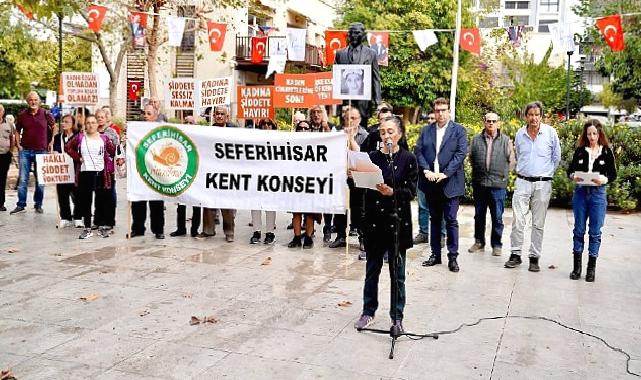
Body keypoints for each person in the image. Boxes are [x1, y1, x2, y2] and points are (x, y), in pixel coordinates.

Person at [353, 116, 417, 332]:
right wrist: (351, 175)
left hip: (397, 223)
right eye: (382, 132)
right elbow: (358, 185)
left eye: (390, 131)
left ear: (399, 134)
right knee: (372, 270)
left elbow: (411, 191)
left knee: (397, 274)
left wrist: (393, 192)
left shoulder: (408, 159)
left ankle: (397, 317)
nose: (386, 136)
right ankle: (368, 311)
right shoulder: (371, 157)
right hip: (374, 222)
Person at [505, 101, 561, 272]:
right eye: (530, 114)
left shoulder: (551, 133)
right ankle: (515, 254)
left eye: (537, 114)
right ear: (526, 116)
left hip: (543, 184)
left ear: (541, 116)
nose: (534, 118)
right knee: (518, 221)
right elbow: (519, 155)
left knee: (538, 223)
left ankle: (534, 257)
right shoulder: (520, 134)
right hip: (522, 182)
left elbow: (556, 157)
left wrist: (545, 173)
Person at [415, 98, 467, 272]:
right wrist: (426, 170)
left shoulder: (459, 130)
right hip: (431, 182)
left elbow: (460, 154)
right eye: (437, 110)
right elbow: (419, 151)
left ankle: (453, 257)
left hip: (451, 182)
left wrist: (445, 173)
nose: (440, 113)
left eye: (443, 110)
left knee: (451, 219)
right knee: (435, 219)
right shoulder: (426, 130)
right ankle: (435, 255)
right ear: (434, 111)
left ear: (449, 111)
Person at [567, 119, 617, 282]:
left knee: (595, 232)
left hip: (598, 194)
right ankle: (577, 267)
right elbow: (570, 170)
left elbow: (613, 174)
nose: (592, 137)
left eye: (594, 133)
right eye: (589, 134)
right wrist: (573, 176)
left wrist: (604, 179)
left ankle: (591, 269)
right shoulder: (580, 151)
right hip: (581, 193)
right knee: (579, 229)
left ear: (600, 133)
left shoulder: (606, 152)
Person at [468, 113, 515, 256]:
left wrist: (501, 174)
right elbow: (471, 158)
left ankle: (496, 244)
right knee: (479, 215)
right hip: (480, 183)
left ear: (498, 123)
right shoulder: (475, 140)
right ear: (484, 122)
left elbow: (512, 163)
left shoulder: (506, 141)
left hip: (497, 185)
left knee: (497, 217)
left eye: (494, 121)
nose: (491, 123)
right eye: (488, 121)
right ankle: (479, 242)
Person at [65, 115, 115, 239]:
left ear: (97, 125)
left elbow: (112, 150)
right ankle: (87, 228)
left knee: (102, 200)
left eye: (93, 122)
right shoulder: (80, 137)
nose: (91, 125)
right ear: (85, 125)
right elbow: (68, 147)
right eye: (88, 123)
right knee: (86, 201)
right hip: (86, 173)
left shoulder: (104, 138)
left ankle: (102, 227)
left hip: (101, 173)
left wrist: (119, 144)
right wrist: (78, 158)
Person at [329, 107, 368, 251]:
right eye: (346, 118)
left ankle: (363, 238)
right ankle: (340, 236)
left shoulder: (365, 135)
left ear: (359, 120)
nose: (349, 121)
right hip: (341, 176)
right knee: (340, 207)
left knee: (360, 210)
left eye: (353, 118)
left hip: (359, 177)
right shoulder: (338, 133)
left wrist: (350, 138)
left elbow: (361, 154)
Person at [11, 91, 55, 215]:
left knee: (40, 180)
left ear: (39, 101)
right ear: (27, 101)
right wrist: (18, 144)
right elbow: (17, 130)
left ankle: (38, 204)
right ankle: (21, 204)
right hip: (25, 151)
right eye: (31, 100)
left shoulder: (46, 114)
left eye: (35, 100)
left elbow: (54, 126)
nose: (33, 102)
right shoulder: (22, 115)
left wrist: (51, 141)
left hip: (41, 151)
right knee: (23, 179)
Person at [334, 22, 382, 129]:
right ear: (348, 35)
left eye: (357, 33)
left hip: (363, 103)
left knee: (362, 132)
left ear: (363, 35)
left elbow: (375, 78)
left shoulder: (371, 53)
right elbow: (336, 79)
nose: (354, 35)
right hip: (345, 101)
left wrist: (378, 102)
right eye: (351, 33)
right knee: (344, 130)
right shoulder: (339, 54)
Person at [200, 106, 237, 242]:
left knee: (226, 204)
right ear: (213, 116)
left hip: (227, 171)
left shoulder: (234, 130)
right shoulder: (208, 130)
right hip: (211, 170)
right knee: (208, 202)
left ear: (227, 116)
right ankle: (208, 230)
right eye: (217, 114)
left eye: (222, 114)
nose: (220, 116)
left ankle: (229, 232)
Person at [130, 105, 165, 239]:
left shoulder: (161, 130)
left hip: (156, 170)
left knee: (156, 202)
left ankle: (158, 230)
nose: (145, 116)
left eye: (149, 113)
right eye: (144, 113)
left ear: (155, 115)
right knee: (138, 200)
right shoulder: (136, 129)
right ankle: (138, 228)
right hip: (140, 169)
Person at [287, 120, 321, 249]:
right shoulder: (291, 144)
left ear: (310, 130)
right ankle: (296, 237)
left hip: (310, 182)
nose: (302, 130)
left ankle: (308, 237)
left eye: (305, 128)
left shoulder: (315, 144)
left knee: (309, 213)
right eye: (300, 128)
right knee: (296, 213)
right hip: (295, 182)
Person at [414, 112, 445, 246]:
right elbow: (418, 151)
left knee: (440, 208)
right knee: (422, 207)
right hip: (423, 177)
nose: (431, 120)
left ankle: (441, 235)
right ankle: (423, 233)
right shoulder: (424, 134)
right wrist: (425, 170)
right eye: (429, 118)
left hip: (439, 178)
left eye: (433, 118)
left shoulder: (444, 136)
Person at [250, 118, 278, 245]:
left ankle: (270, 233)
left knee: (270, 206)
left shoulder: (278, 141)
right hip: (256, 177)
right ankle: (256, 231)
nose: (266, 126)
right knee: (255, 205)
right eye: (263, 124)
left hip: (271, 177)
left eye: (269, 124)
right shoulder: (254, 140)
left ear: (273, 127)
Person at [53, 114, 80, 228]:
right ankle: (65, 217)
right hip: (62, 170)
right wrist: (55, 153)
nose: (64, 124)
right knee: (62, 193)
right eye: (63, 122)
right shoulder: (58, 137)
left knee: (78, 193)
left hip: (75, 169)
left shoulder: (78, 137)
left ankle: (78, 217)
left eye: (67, 122)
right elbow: (55, 149)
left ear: (73, 124)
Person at [0, 105, 16, 211]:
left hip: (4, 155)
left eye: (0, 110)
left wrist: (11, 151)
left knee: (2, 179)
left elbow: (12, 137)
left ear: (3, 111)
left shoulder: (9, 124)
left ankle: (1, 203)